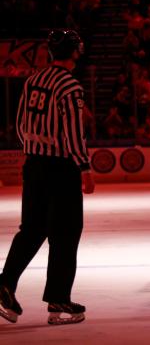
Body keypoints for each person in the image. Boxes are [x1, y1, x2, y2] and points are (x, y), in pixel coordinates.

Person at [0, 29, 95, 325]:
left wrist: (33, 150)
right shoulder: (70, 86)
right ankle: (58, 300)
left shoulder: (33, 80)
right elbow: (73, 132)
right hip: (61, 168)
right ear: (75, 52)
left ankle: (4, 284)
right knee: (66, 234)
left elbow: (20, 123)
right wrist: (84, 167)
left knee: (31, 229)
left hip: (34, 163)